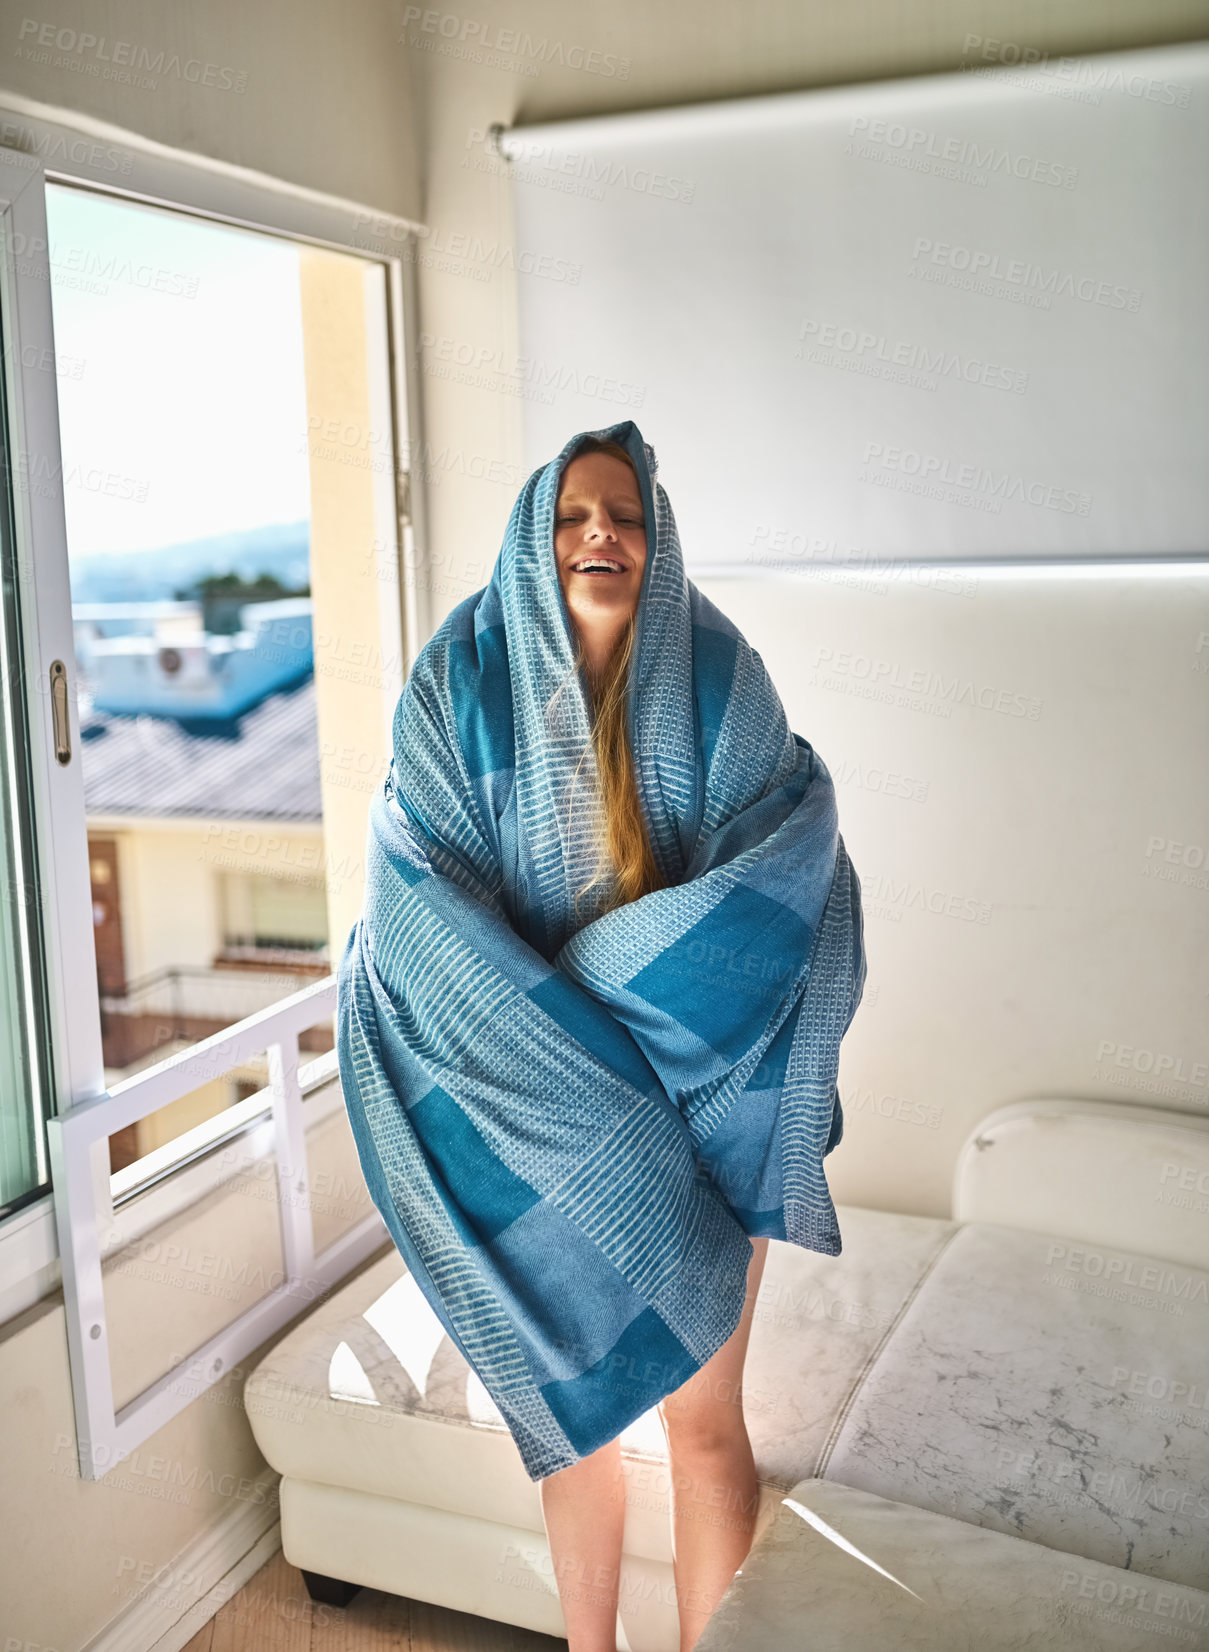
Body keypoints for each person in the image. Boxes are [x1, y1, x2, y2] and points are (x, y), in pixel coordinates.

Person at [337, 420, 865, 1652]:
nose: (601, 532)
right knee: (574, 1434)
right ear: (539, 534)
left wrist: (609, 1019)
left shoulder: (723, 680)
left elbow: (783, 883)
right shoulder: (456, 682)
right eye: (576, 512)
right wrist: (576, 1057)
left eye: (625, 512)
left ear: (657, 540)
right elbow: (416, 908)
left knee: (706, 1426)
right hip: (534, 1127)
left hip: (706, 1118)